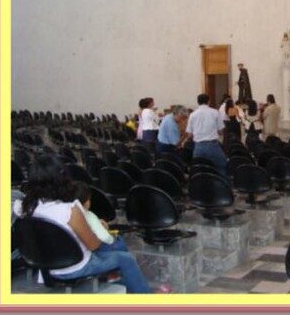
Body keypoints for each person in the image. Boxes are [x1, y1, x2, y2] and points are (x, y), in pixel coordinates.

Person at [14, 155, 157, 293]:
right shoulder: (69, 209)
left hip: (46, 268)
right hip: (74, 266)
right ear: (62, 177)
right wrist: (101, 228)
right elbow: (93, 245)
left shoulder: (25, 208)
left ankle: (118, 282)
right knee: (125, 258)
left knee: (115, 247)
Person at [73, 182, 128, 253]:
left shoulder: (67, 213)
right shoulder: (89, 215)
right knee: (119, 242)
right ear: (87, 201)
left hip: (78, 249)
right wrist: (106, 231)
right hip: (94, 250)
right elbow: (106, 238)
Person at [185, 93, 228, 176]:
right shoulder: (215, 112)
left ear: (198, 102)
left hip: (198, 147)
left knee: (199, 169)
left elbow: (189, 134)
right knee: (221, 165)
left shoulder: (192, 115)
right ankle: (220, 186)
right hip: (212, 145)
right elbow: (221, 131)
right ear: (209, 101)